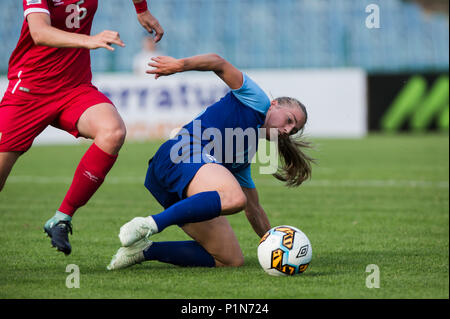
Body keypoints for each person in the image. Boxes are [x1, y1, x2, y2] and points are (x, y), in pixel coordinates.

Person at [107, 53, 314, 270]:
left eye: (293, 130)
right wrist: (180, 65)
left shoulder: (244, 154)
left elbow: (254, 208)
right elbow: (218, 62)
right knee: (234, 197)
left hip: (171, 183)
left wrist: (275, 241)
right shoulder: (257, 100)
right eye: (289, 120)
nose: (287, 130)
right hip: (177, 154)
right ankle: (148, 224)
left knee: (229, 259)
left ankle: (143, 251)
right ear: (274, 105)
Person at [0, 0, 163, 256]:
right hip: (29, 91)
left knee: (113, 132)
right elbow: (39, 32)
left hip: (74, 88)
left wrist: (141, 9)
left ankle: (61, 218)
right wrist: (88, 40)